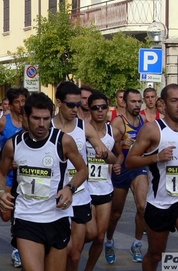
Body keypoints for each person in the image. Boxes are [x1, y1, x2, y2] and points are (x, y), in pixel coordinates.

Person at [0, 92, 89, 271]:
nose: (41, 124)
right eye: (36, 118)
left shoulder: (63, 141)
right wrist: (0, 193)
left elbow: (83, 170)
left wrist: (70, 188)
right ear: (26, 117)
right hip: (26, 217)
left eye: (46, 118)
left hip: (57, 216)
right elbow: (0, 173)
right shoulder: (13, 144)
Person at [125, 83, 178, 271]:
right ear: (163, 104)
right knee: (155, 254)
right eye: (174, 101)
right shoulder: (152, 130)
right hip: (159, 202)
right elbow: (130, 161)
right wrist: (156, 157)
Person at [51, 81, 109, 271]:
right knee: (60, 250)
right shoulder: (47, 125)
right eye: (71, 105)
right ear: (59, 102)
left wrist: (103, 150)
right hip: (54, 196)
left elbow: (107, 153)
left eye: (78, 105)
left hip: (80, 195)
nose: (76, 109)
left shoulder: (84, 127)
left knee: (75, 256)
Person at [0, 87, 29, 267]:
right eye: (17, 102)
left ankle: (18, 248)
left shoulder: (31, 121)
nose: (21, 105)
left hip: (26, 175)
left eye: (23, 101)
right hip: (7, 173)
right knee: (6, 215)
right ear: (10, 105)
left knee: (22, 212)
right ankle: (1, 206)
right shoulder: (4, 122)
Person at [105, 88, 147, 264]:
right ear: (125, 103)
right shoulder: (118, 122)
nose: (137, 105)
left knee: (143, 206)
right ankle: (109, 241)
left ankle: (137, 243)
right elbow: (106, 146)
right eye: (133, 102)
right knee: (115, 213)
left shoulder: (143, 121)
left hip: (138, 168)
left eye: (139, 102)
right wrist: (121, 143)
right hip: (121, 169)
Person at [84, 91, 119, 271]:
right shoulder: (82, 130)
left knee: (99, 237)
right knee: (89, 233)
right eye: (95, 107)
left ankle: (88, 268)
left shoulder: (113, 131)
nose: (100, 111)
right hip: (85, 190)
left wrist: (113, 160)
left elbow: (118, 155)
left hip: (105, 189)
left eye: (103, 107)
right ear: (89, 109)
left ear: (108, 108)